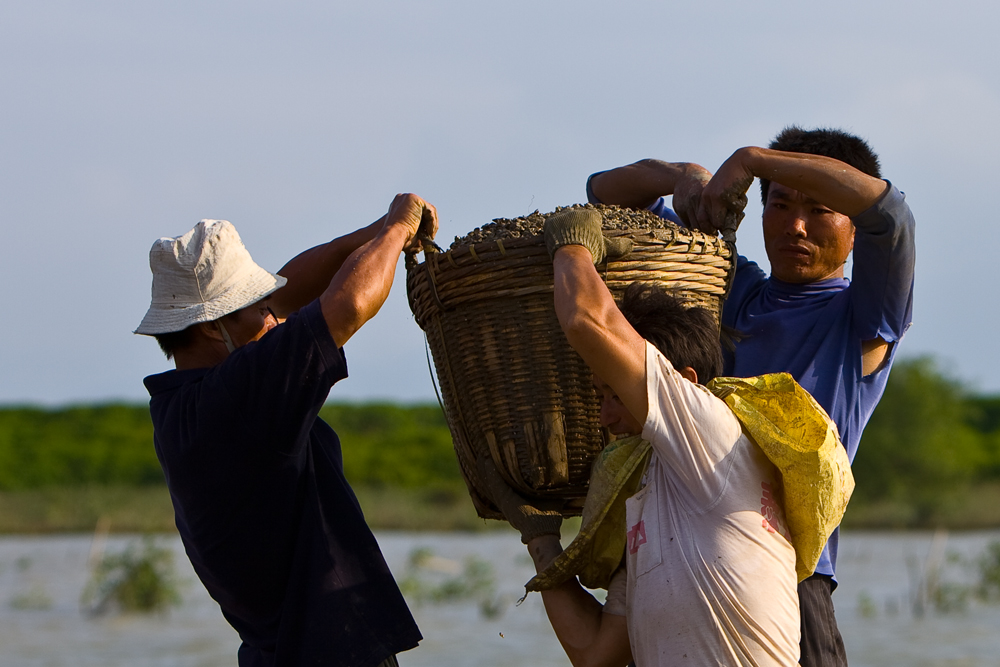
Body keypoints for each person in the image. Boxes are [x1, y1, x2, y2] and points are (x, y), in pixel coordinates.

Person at [587, 127, 916, 666]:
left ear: (853, 228)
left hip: (789, 572)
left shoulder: (862, 318)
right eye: (780, 205)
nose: (797, 225)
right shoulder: (731, 287)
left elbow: (891, 214)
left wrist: (754, 159)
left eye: (820, 209)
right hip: (688, 563)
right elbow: (605, 195)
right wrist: (681, 178)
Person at [476, 208, 801, 666]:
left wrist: (572, 247)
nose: (605, 416)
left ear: (684, 383)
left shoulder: (713, 433)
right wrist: (541, 538)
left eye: (616, 394)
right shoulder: (646, 500)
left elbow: (588, 322)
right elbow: (596, 656)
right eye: (600, 396)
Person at [134, 193, 438, 667]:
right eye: (259, 308)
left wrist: (373, 234)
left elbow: (289, 295)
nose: (276, 315)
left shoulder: (183, 403)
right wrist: (397, 231)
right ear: (214, 329)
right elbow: (348, 304)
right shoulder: (236, 397)